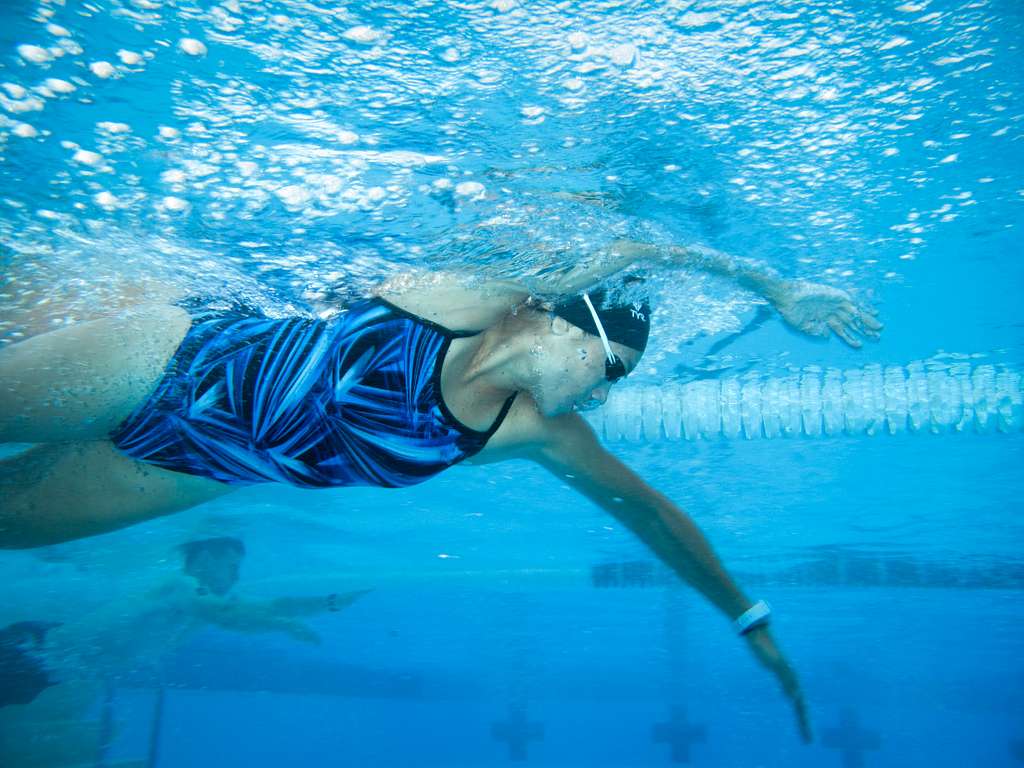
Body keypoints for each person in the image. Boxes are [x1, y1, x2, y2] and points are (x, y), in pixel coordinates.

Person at [0, 237, 882, 740]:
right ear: (563, 324)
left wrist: (747, 617)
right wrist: (774, 285)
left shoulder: (534, 431)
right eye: (609, 367)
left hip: (193, 467)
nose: (609, 393)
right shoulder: (467, 301)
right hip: (170, 360)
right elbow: (638, 245)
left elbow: (649, 512)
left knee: (8, 528)